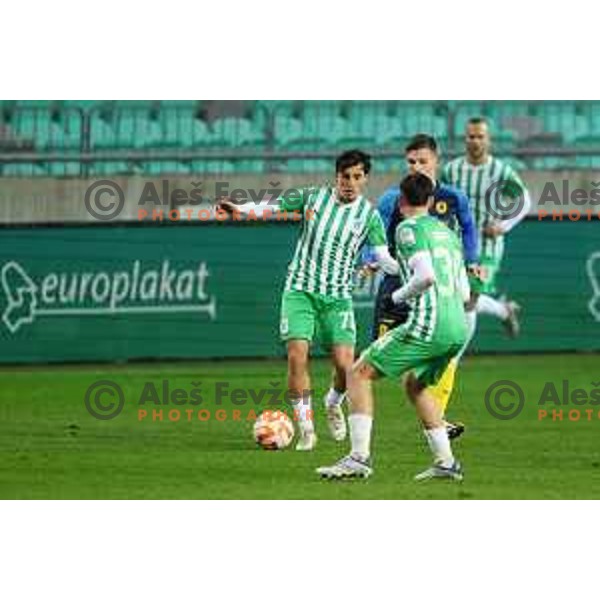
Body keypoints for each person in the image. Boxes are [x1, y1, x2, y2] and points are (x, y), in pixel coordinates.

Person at [218, 150, 399, 450]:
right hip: (300, 290)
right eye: (345, 176)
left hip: (338, 298)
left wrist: (410, 268)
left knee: (345, 367)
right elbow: (271, 207)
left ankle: (332, 403)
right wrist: (241, 209)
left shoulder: (369, 216)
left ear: (365, 179)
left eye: (356, 177)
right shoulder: (312, 198)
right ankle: (306, 430)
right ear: (336, 176)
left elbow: (383, 258)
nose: (350, 183)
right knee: (296, 355)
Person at [317, 172, 469, 481]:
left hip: (430, 324)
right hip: (458, 328)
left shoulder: (406, 228)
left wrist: (398, 296)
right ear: (430, 201)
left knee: (358, 373)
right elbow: (465, 292)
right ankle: (446, 462)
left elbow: (425, 276)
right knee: (416, 385)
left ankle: (358, 458)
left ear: (400, 201)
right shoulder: (448, 234)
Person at [362, 134, 479, 439]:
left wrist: (471, 260)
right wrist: (369, 259)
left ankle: (435, 418)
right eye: (411, 161)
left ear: (436, 161)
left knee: (433, 353)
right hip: (396, 283)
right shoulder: (393, 199)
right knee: (380, 354)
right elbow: (374, 231)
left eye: (422, 161)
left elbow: (467, 227)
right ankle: (343, 395)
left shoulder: (454, 197)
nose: (416, 166)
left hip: (433, 290)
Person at [441, 117, 531, 342]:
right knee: (458, 298)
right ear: (465, 139)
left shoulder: (499, 170)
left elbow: (525, 199)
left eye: (480, 136)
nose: (475, 141)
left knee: (470, 298)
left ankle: (454, 359)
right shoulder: (452, 170)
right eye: (471, 136)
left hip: (488, 247)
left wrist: (504, 225)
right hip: (458, 246)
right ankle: (503, 310)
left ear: (488, 140)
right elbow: (440, 203)